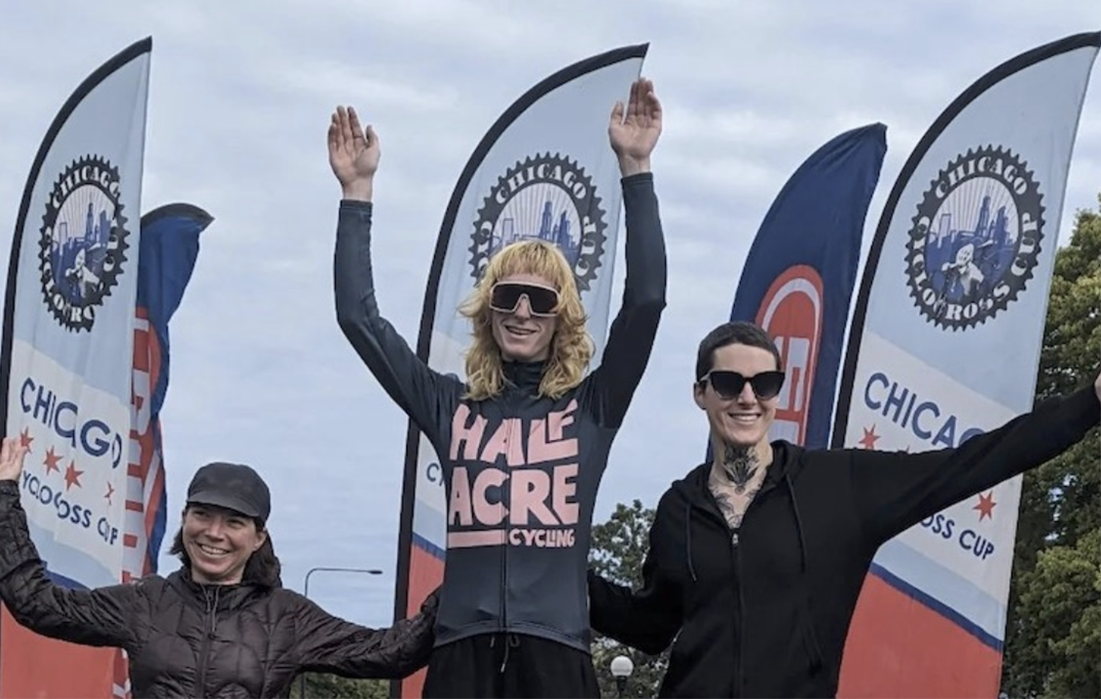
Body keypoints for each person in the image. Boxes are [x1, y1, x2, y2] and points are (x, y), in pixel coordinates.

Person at [328, 77, 667, 699]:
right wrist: (357, 194)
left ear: (561, 316)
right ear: (489, 309)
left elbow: (646, 301)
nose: (523, 312)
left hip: (558, 652)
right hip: (462, 654)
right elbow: (359, 319)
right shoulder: (449, 405)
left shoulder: (593, 407)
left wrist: (636, 171)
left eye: (540, 299)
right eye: (508, 296)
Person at [587, 320, 1101, 699]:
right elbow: (650, 626)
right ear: (701, 393)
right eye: (728, 383)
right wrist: (560, 571)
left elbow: (974, 463)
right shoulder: (678, 508)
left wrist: (1091, 402)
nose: (747, 398)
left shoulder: (841, 485)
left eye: (764, 384)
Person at [0, 438, 440, 699]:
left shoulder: (288, 617)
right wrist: (0, 499)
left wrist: (460, 583)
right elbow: (36, 603)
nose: (214, 533)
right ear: (185, 519)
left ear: (258, 537)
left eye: (234, 522)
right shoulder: (145, 602)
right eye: (202, 515)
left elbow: (393, 653)